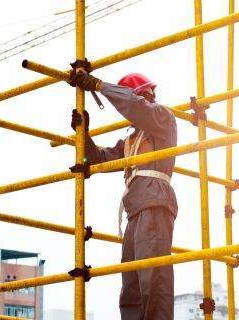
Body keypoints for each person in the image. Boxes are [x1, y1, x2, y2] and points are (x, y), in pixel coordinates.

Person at [70, 71, 177, 320]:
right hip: (135, 210)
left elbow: (135, 107)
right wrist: (83, 134)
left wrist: (99, 86)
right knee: (131, 284)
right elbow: (95, 159)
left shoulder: (162, 119)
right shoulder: (131, 142)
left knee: (153, 280)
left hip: (154, 202)